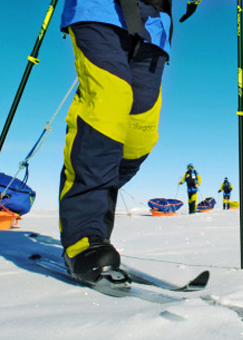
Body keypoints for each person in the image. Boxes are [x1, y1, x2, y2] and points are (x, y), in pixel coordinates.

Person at [56, 0, 188, 285]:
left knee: (139, 135)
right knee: (106, 113)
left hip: (155, 24)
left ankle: (90, 205)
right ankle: (84, 240)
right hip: (99, 9)